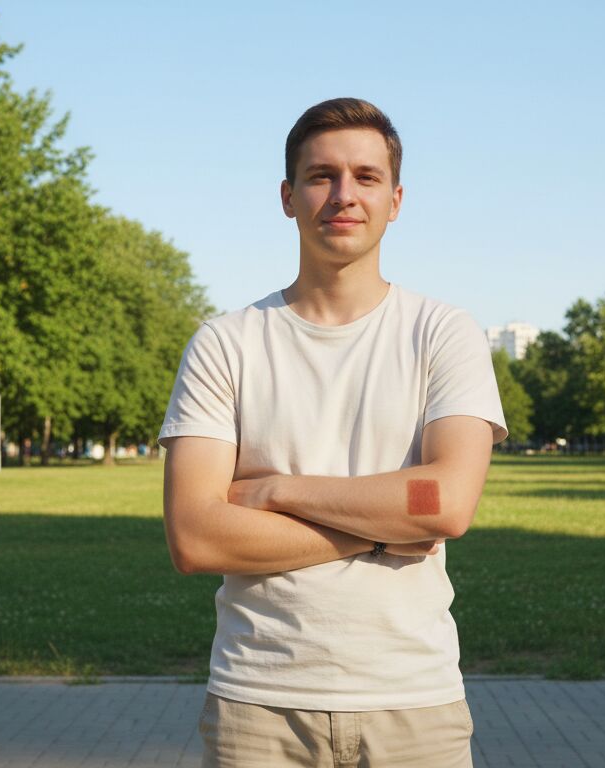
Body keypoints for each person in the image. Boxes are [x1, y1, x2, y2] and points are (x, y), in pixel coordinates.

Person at [159, 97, 507, 767]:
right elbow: (196, 537)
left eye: (366, 177)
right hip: (258, 705)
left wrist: (275, 492)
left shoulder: (443, 333)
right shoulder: (224, 343)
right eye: (321, 176)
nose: (343, 194)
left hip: (415, 704)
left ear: (395, 200)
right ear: (287, 197)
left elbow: (444, 504)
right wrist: (383, 529)